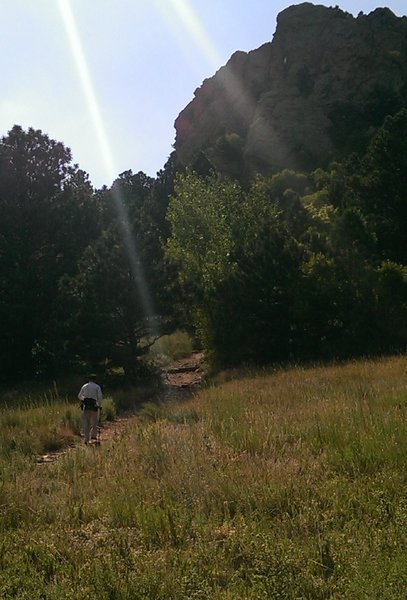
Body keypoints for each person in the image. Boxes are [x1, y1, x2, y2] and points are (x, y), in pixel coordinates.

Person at [78, 374, 103, 444]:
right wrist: (99, 405)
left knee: (86, 423)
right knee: (94, 422)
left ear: (89, 379)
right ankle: (93, 436)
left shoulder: (85, 386)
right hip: (94, 406)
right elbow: (100, 397)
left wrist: (84, 399)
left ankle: (86, 439)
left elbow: (79, 396)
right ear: (95, 380)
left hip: (86, 406)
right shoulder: (97, 387)